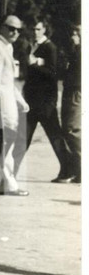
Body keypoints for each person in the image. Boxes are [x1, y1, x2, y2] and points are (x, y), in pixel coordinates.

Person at [18, 17, 69, 181]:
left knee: (54, 137)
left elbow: (53, 73)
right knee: (24, 137)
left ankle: (69, 170)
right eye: (33, 29)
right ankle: (9, 173)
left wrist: (36, 63)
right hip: (32, 100)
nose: (35, 32)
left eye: (38, 29)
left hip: (46, 101)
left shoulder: (50, 47)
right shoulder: (31, 46)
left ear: (45, 30)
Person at [0, 14, 29, 195]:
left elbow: (9, 81)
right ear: (2, 27)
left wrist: (21, 101)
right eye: (11, 28)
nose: (15, 32)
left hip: (10, 105)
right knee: (4, 145)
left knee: (7, 146)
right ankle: (8, 185)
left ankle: (7, 184)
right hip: (2, 107)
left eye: (18, 30)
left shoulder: (7, 47)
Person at [57, 24, 81, 184]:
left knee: (72, 129)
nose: (73, 35)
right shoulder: (76, 50)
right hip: (70, 90)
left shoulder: (81, 51)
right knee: (68, 129)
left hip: (76, 91)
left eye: (76, 33)